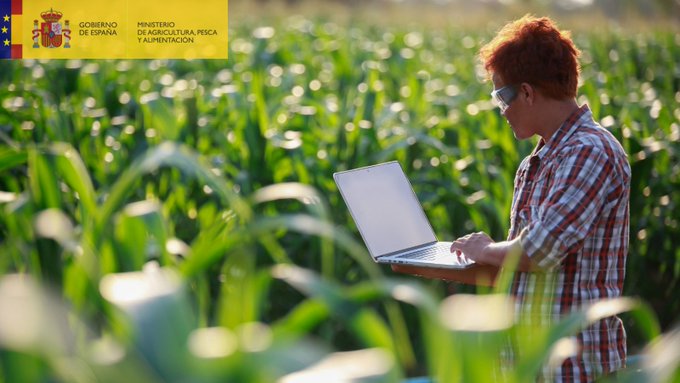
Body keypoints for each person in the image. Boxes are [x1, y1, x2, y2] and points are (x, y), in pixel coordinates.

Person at [392, 15, 630, 382]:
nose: (500, 110)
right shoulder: (536, 163)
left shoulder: (590, 151)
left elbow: (538, 250)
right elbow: (519, 270)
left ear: (528, 92)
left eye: (501, 96)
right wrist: (419, 263)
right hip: (527, 365)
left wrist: (485, 248)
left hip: (574, 369)